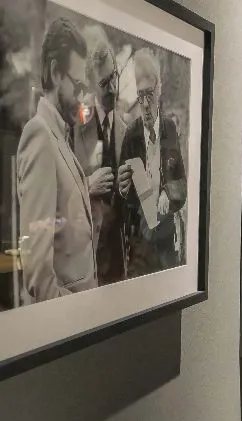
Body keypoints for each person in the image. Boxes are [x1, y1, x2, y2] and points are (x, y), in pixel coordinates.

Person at [16, 18, 104, 303]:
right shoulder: (39, 136)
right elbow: (38, 271)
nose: (82, 98)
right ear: (55, 73)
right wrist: (74, 321)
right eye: (77, 85)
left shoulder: (59, 136)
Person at [119, 48, 187, 277]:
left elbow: (181, 183)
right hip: (140, 247)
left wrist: (168, 193)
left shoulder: (169, 129)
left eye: (149, 94)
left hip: (167, 243)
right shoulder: (131, 135)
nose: (145, 104)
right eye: (140, 96)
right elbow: (123, 200)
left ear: (159, 89)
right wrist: (123, 190)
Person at [74, 35, 133, 285]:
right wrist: (87, 187)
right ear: (90, 84)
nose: (112, 88)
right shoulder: (73, 123)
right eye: (104, 82)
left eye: (115, 77)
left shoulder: (123, 128)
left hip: (117, 262)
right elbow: (52, 193)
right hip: (83, 259)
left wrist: (127, 189)